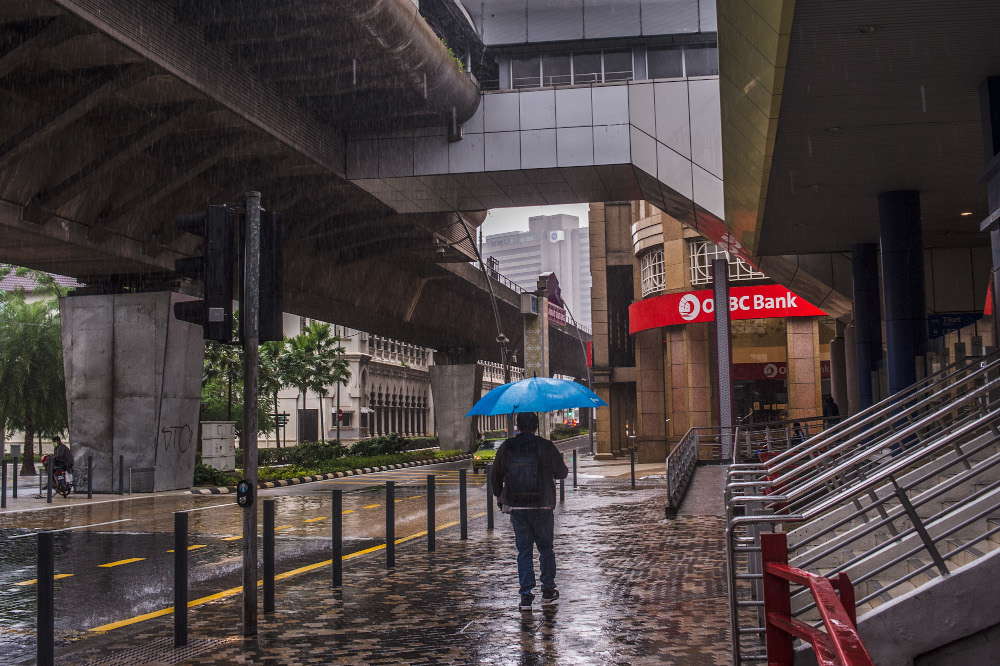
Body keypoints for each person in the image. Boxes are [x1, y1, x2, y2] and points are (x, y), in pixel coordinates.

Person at [491, 411, 568, 612]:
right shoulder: (545, 446)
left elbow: (495, 475)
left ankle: (526, 596)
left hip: (517, 507)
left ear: (518, 426)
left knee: (524, 551)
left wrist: (500, 496)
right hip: (543, 505)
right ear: (535, 426)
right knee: (546, 549)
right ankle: (548, 591)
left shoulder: (507, 447)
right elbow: (563, 473)